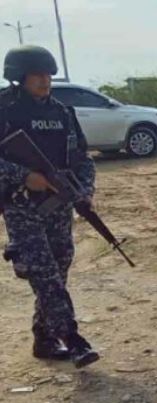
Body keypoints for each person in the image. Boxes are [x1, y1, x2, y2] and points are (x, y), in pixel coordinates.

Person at [0, 45, 99, 368]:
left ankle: (43, 339)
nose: (45, 81)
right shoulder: (4, 109)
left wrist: (84, 190)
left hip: (58, 204)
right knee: (44, 273)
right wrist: (23, 175)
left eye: (48, 75)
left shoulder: (61, 113)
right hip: (21, 205)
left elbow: (83, 158)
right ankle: (72, 338)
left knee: (59, 265)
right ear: (19, 77)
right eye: (37, 75)